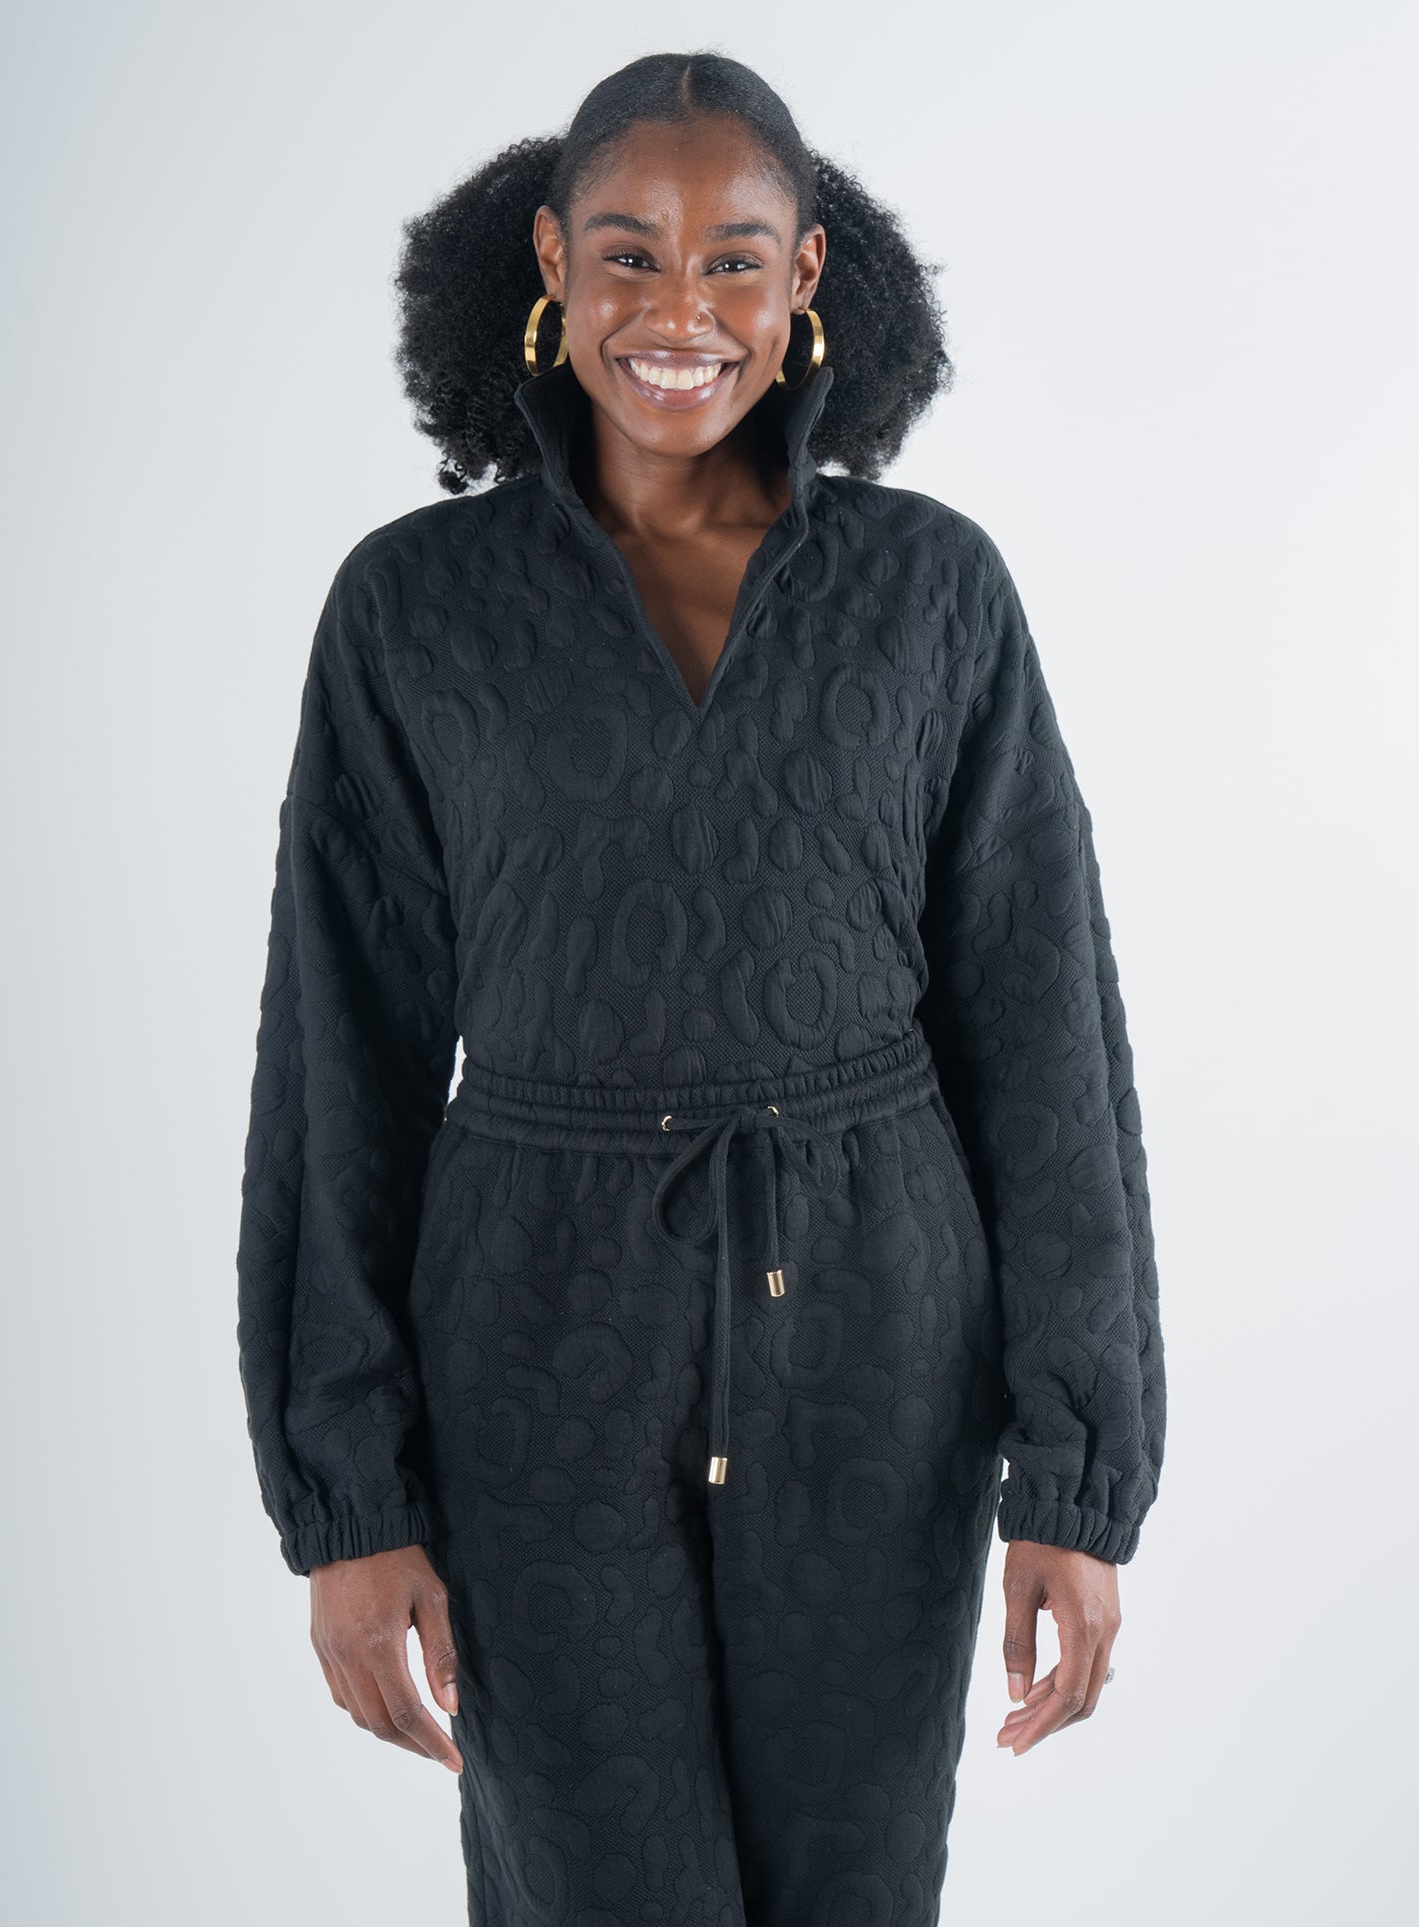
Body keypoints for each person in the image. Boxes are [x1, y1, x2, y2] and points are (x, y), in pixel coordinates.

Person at [235, 48, 1166, 1925]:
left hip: (880, 1355)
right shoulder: (411, 609)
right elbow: (344, 1050)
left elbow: (1042, 1030)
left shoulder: (931, 595)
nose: (680, 313)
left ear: (808, 276)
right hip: (534, 1359)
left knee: (850, 1892)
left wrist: (1073, 1470)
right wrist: (350, 1501)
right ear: (547, 265)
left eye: (733, 258)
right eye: (628, 256)